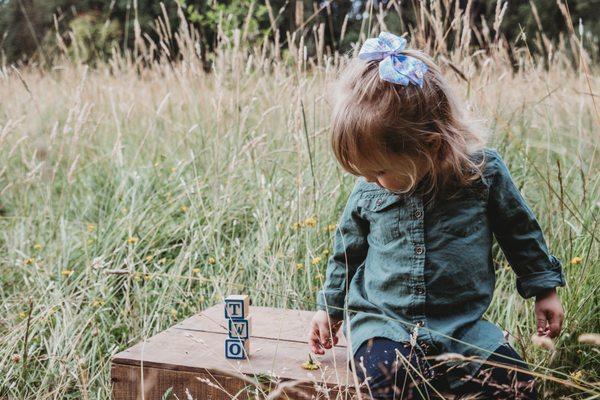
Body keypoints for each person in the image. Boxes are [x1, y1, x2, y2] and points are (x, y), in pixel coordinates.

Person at [306, 32, 565, 399]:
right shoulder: (370, 189)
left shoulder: (482, 174)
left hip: (464, 327)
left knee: (516, 388)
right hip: (384, 325)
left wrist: (544, 290)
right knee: (392, 383)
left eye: (379, 170)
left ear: (429, 144)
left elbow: (519, 231)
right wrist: (330, 310)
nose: (368, 180)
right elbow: (347, 253)